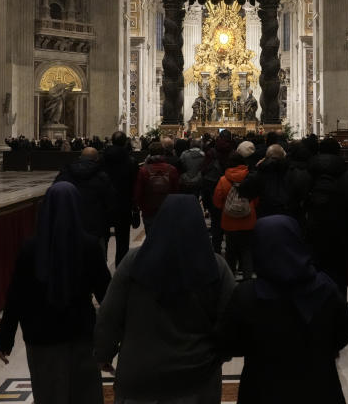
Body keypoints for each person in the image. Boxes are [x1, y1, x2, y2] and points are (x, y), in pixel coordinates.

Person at [94, 195, 236, 403]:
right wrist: (219, 356)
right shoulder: (216, 266)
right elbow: (230, 323)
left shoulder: (133, 262)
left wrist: (103, 354)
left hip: (140, 378)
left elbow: (109, 315)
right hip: (197, 379)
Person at [217, 216, 348, 403]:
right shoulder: (325, 288)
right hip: (319, 387)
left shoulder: (247, 295)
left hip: (262, 390)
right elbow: (345, 330)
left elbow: (229, 343)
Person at [0, 181, 111, 404]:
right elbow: (107, 297)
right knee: (84, 395)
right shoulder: (89, 246)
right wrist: (110, 343)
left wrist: (5, 339)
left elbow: (15, 297)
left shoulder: (30, 249)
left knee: (49, 393)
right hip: (81, 334)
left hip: (41, 336)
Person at [304, 138, 348, 295]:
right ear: (339, 152)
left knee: (312, 277)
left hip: (311, 236)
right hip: (341, 238)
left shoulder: (306, 176)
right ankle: (338, 312)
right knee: (338, 279)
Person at [54, 146, 113, 251]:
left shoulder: (64, 174)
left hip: (70, 228)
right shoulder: (102, 178)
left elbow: (55, 198)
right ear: (97, 159)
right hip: (96, 229)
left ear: (80, 157)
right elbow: (110, 204)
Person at [213, 151, 258, 280]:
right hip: (248, 219)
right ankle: (248, 279)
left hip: (229, 221)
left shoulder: (223, 180)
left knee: (230, 250)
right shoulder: (251, 178)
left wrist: (228, 208)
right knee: (247, 250)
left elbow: (217, 201)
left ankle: (230, 279)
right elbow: (256, 199)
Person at [239, 144, 310, 223]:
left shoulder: (260, 173)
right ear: (284, 156)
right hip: (291, 217)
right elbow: (304, 194)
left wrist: (256, 168)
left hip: (266, 217)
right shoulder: (296, 173)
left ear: (265, 158)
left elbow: (244, 190)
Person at [102, 131, 139, 267]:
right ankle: (121, 267)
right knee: (123, 238)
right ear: (125, 143)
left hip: (105, 204)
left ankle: (102, 265)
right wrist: (135, 206)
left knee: (103, 236)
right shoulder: (131, 161)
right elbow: (135, 185)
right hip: (124, 204)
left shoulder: (102, 159)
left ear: (112, 141)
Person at [134, 141, 180, 232]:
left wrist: (140, 206)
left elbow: (138, 191)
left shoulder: (143, 170)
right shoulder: (172, 169)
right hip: (167, 208)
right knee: (166, 236)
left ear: (149, 153)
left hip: (149, 209)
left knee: (150, 237)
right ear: (163, 152)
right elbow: (176, 191)